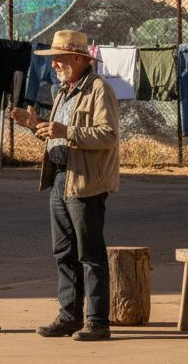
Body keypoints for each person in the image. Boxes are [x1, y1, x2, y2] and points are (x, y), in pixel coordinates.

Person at [10, 30, 120, 342]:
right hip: (60, 177)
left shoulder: (99, 89)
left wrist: (66, 130)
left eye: (59, 58)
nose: (55, 64)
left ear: (79, 59)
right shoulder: (65, 91)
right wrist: (35, 125)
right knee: (63, 251)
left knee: (90, 253)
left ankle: (98, 321)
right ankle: (69, 316)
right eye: (53, 59)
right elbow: (57, 132)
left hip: (85, 181)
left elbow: (108, 135)